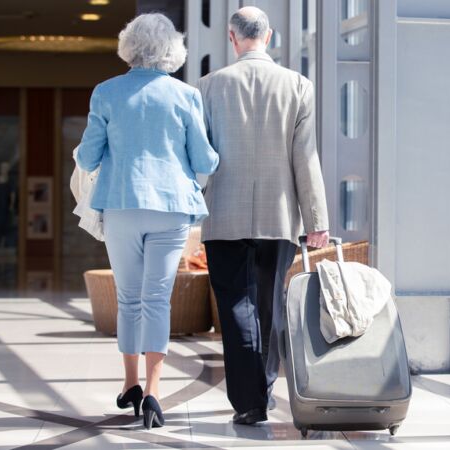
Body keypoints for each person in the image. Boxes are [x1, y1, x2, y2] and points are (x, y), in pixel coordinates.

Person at [76, 13, 219, 429]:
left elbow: (86, 157)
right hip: (171, 206)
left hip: (121, 203)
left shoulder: (106, 93)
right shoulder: (185, 95)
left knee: (129, 298)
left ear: (128, 46)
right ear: (172, 48)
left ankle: (130, 384)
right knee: (157, 298)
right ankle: (155, 393)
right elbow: (204, 159)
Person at [198, 6, 330, 425]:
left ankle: (248, 401)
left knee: (236, 305)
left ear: (232, 39)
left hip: (223, 215)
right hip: (278, 217)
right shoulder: (298, 85)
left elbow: (199, 158)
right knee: (270, 306)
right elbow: (305, 159)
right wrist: (316, 221)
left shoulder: (208, 86)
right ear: (269, 37)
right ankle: (265, 388)